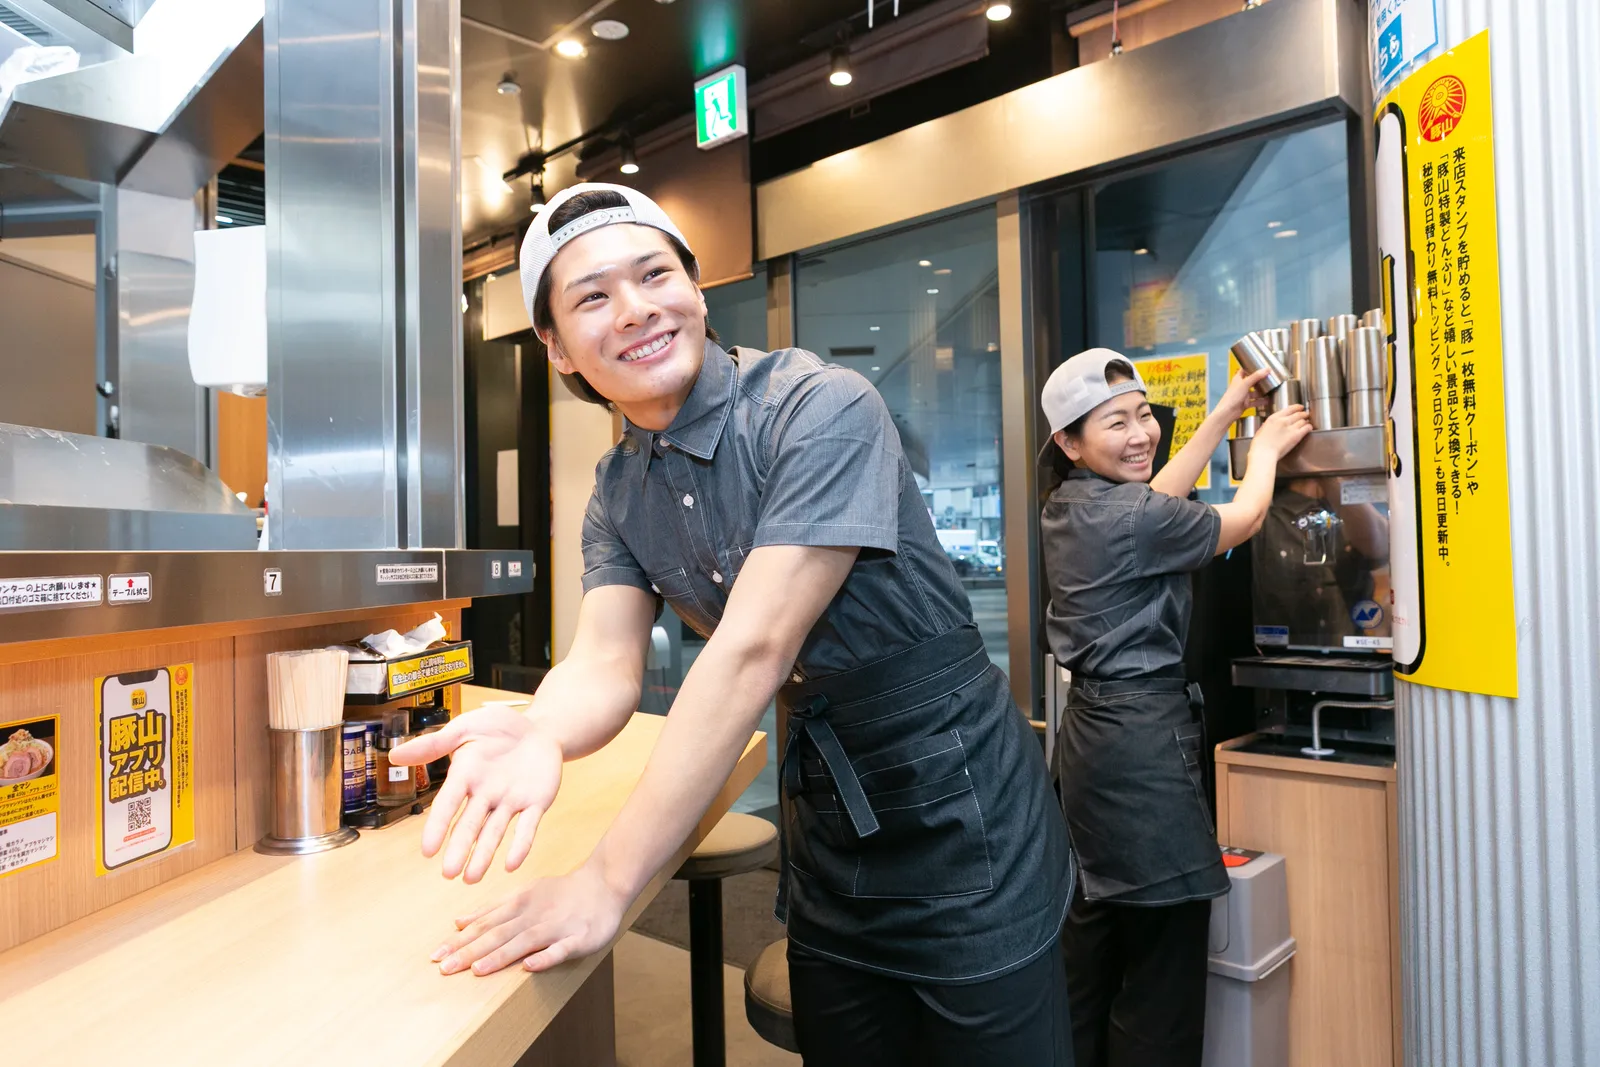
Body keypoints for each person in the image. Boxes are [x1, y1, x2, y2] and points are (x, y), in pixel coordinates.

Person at [391, 183, 1075, 1065]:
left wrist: (606, 878)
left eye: (654, 275)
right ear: (556, 348)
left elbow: (752, 649)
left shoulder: (819, 407)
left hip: (966, 811)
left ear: (697, 289)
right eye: (593, 296)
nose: (636, 309)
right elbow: (604, 661)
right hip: (830, 817)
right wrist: (539, 732)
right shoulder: (618, 489)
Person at [1037, 348, 1312, 1067]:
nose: (1139, 433)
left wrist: (1223, 412)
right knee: (1163, 965)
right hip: (1141, 754)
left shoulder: (1073, 502)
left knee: (1091, 950)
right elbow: (1245, 516)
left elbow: (1157, 493)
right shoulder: (1129, 518)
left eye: (1141, 416)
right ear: (1068, 441)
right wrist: (1267, 448)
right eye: (1113, 423)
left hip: (1091, 751)